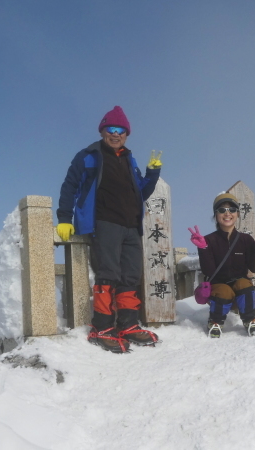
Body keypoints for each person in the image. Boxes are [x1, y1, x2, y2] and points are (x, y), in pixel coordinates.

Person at [56, 106, 162, 354]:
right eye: (111, 129)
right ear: (103, 131)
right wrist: (64, 217)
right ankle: (101, 328)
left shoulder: (129, 159)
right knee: (108, 274)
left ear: (127, 134)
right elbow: (69, 186)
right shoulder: (88, 155)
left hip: (131, 226)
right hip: (104, 222)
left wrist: (153, 175)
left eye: (121, 130)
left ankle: (127, 325)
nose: (116, 134)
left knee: (130, 275)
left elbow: (140, 193)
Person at [188, 193, 255, 338]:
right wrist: (203, 248)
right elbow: (209, 271)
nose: (227, 213)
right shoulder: (209, 239)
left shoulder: (245, 239)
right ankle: (215, 322)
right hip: (219, 285)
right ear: (215, 215)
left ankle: (250, 320)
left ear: (237, 214)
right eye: (222, 210)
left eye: (232, 209)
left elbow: (254, 267)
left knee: (244, 285)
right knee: (224, 291)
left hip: (240, 282)